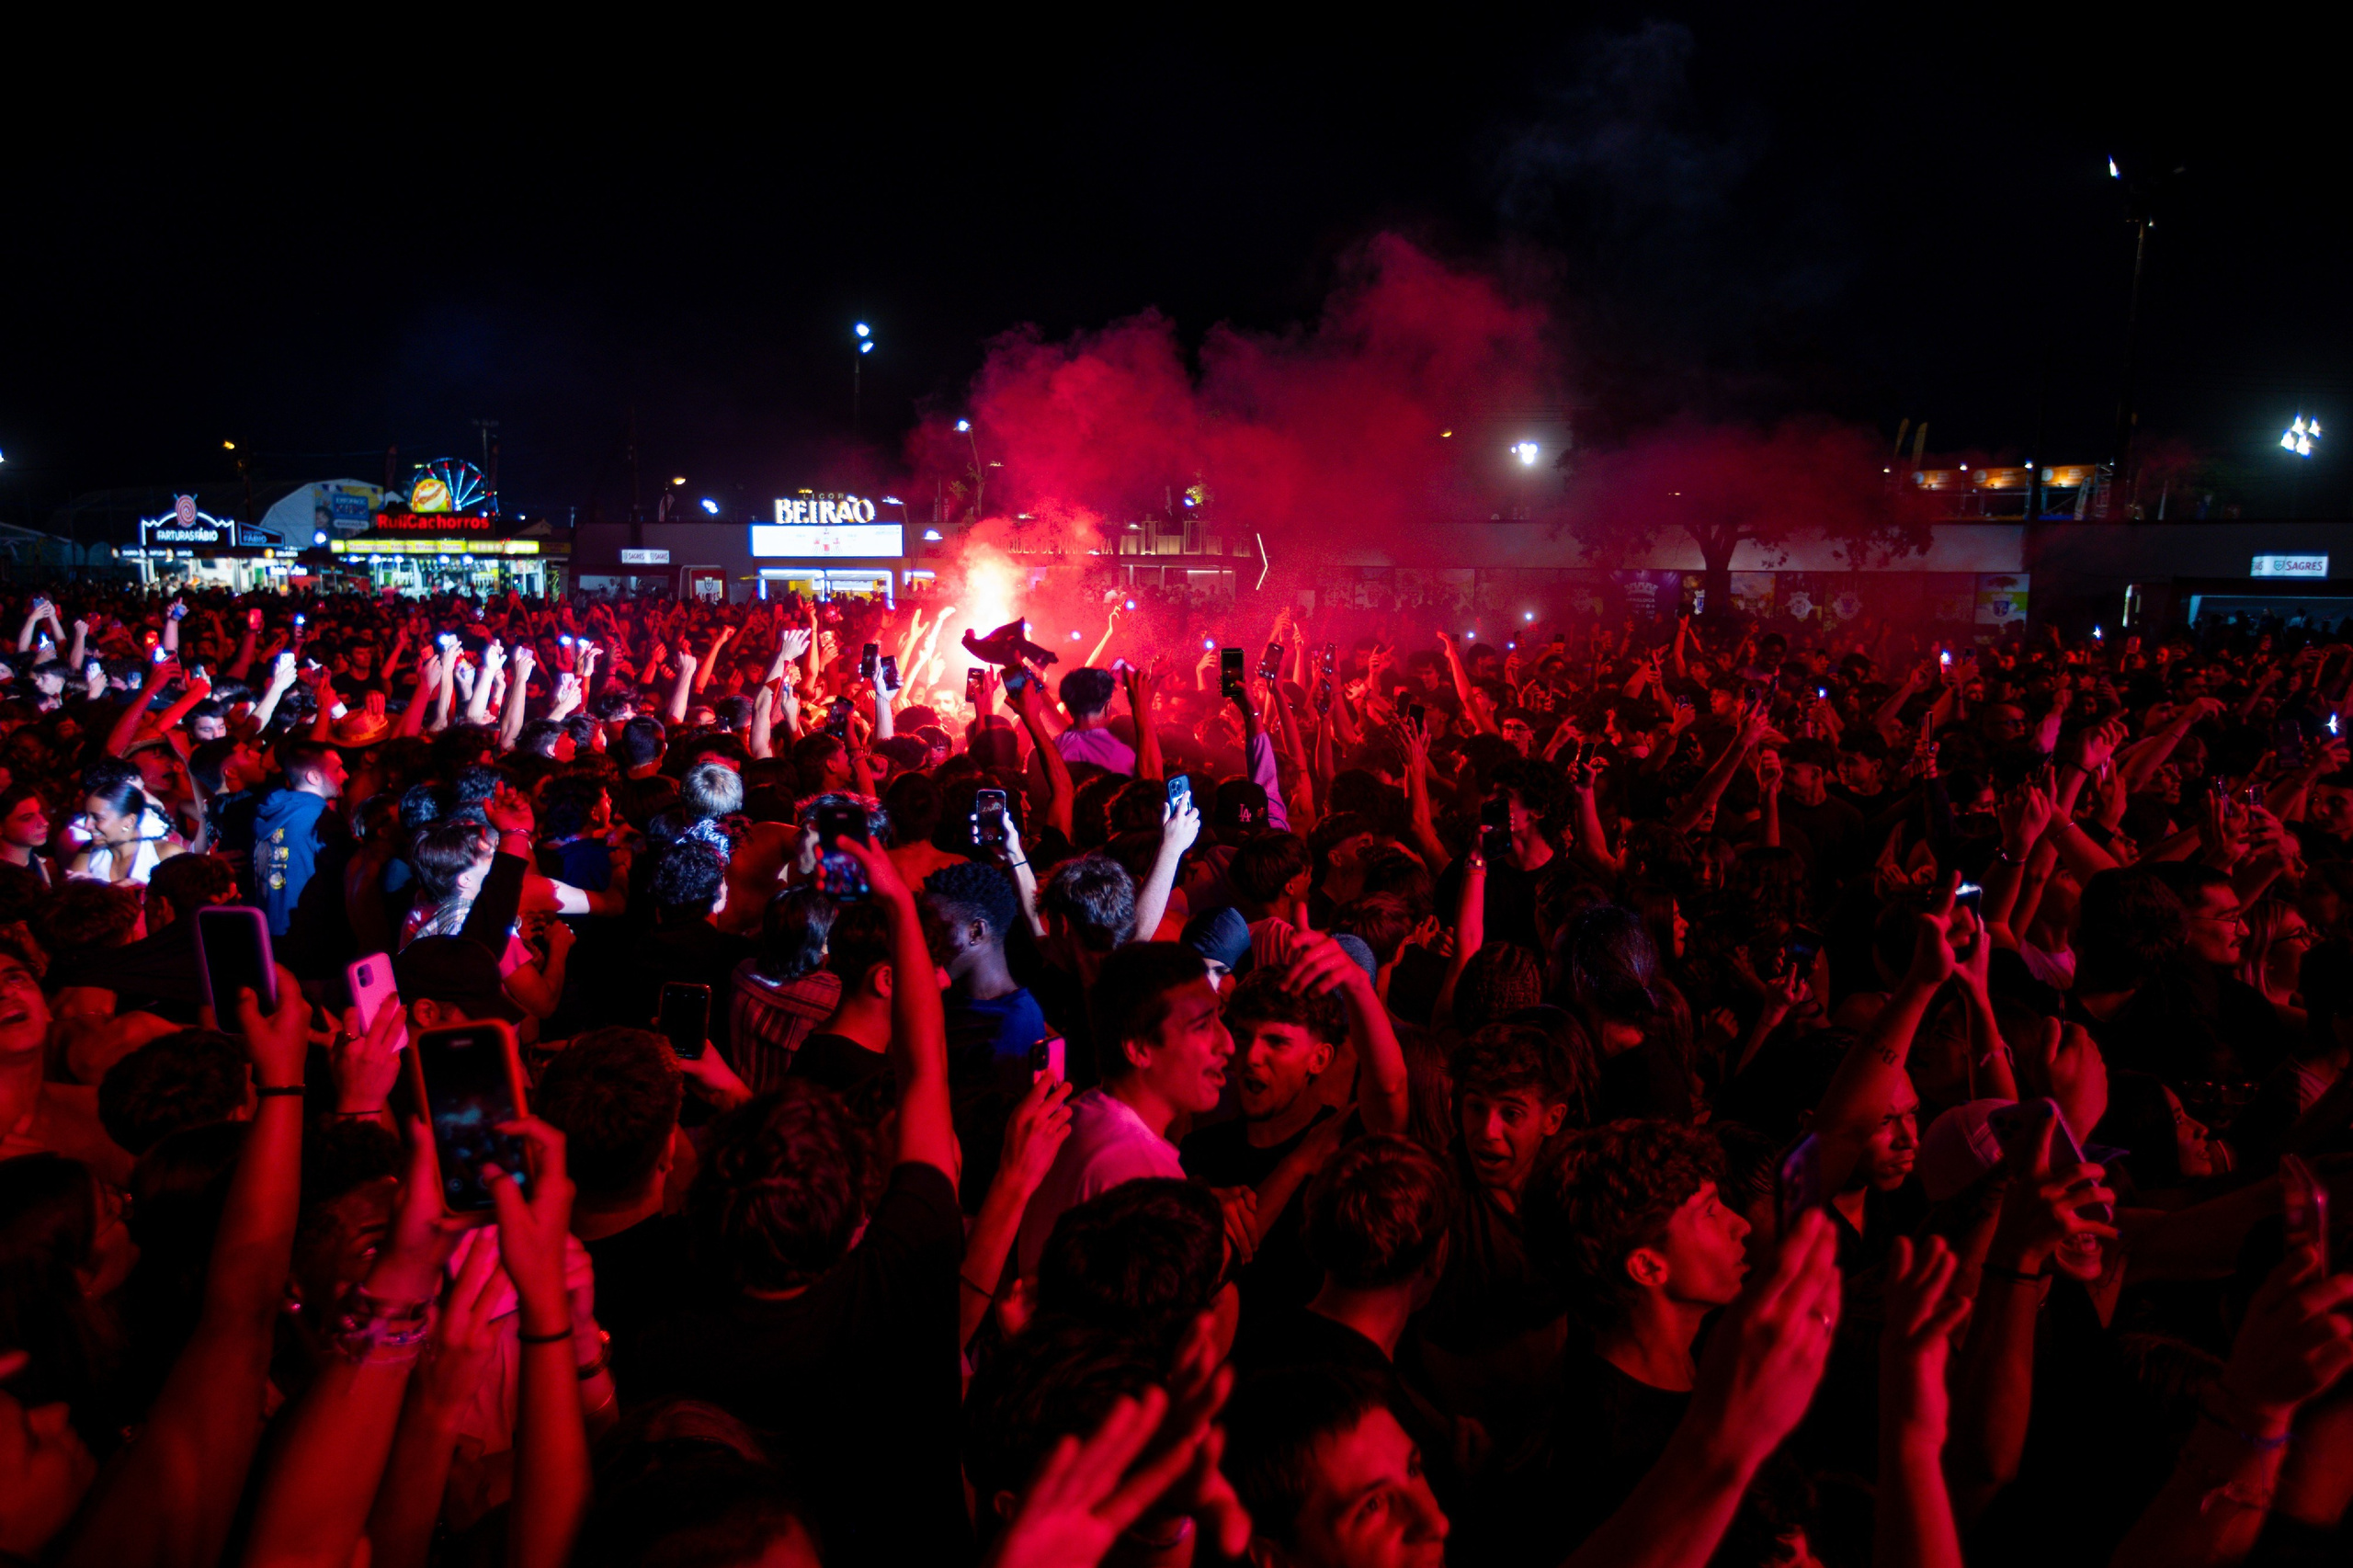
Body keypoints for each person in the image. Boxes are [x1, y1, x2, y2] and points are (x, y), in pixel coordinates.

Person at [1016, 940, 1231, 1278]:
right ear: (1139, 1048)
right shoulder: (1141, 1175)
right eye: (1203, 1026)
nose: (1228, 1043)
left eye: (1220, 1017)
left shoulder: (1082, 1115)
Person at [250, 738, 345, 932]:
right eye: (337, 769)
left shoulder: (272, 812)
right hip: (307, 931)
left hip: (267, 930)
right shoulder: (320, 819)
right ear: (314, 777)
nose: (345, 775)